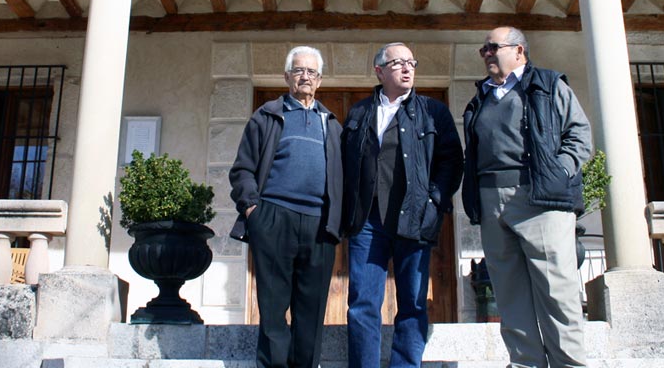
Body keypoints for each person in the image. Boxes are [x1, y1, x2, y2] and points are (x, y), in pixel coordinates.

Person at [462, 27, 593, 368]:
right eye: (483, 50)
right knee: (509, 293)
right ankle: (525, 363)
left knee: (557, 292)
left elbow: (579, 135)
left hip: (540, 199)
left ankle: (571, 364)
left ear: (519, 51)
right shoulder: (482, 96)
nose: (487, 53)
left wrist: (557, 171)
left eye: (493, 47)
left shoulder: (549, 86)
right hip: (492, 200)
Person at [343, 42, 463, 368]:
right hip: (368, 222)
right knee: (363, 303)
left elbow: (452, 161)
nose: (408, 68)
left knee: (411, 301)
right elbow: (344, 165)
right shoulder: (359, 112)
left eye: (412, 62)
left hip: (414, 217)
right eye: (398, 63)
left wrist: (434, 202)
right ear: (380, 71)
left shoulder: (433, 111)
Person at [228, 46, 343, 368]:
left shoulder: (332, 124)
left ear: (319, 80)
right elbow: (242, 169)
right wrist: (253, 210)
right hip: (274, 217)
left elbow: (343, 177)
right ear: (287, 76)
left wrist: (340, 220)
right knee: (273, 303)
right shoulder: (267, 115)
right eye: (298, 70)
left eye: (311, 72)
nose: (305, 76)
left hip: (319, 224)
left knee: (311, 307)